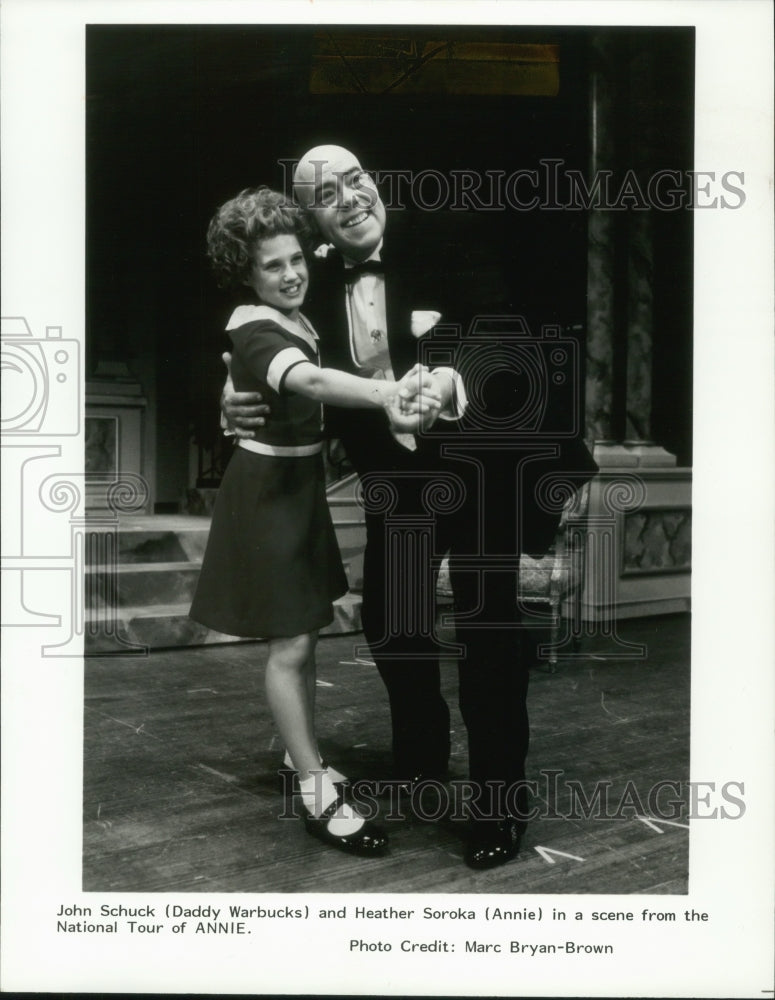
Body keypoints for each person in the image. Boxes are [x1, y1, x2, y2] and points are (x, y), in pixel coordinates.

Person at [221, 147, 598, 869]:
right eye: (328, 193)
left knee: (488, 631)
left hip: (482, 461)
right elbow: (260, 349)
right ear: (312, 219)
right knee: (392, 618)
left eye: (356, 179)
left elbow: (506, 337)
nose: (351, 197)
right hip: (397, 476)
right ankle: (421, 758)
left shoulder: (451, 236)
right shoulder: (308, 280)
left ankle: (496, 805)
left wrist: (453, 379)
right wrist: (229, 398)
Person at [190, 186, 441, 857]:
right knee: (291, 644)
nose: (291, 273)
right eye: (272, 266)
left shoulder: (296, 311)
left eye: (295, 258)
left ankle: (305, 759)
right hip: (266, 491)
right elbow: (308, 382)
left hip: (299, 487)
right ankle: (310, 781)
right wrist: (388, 391)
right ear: (246, 273)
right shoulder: (255, 325)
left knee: (301, 636)